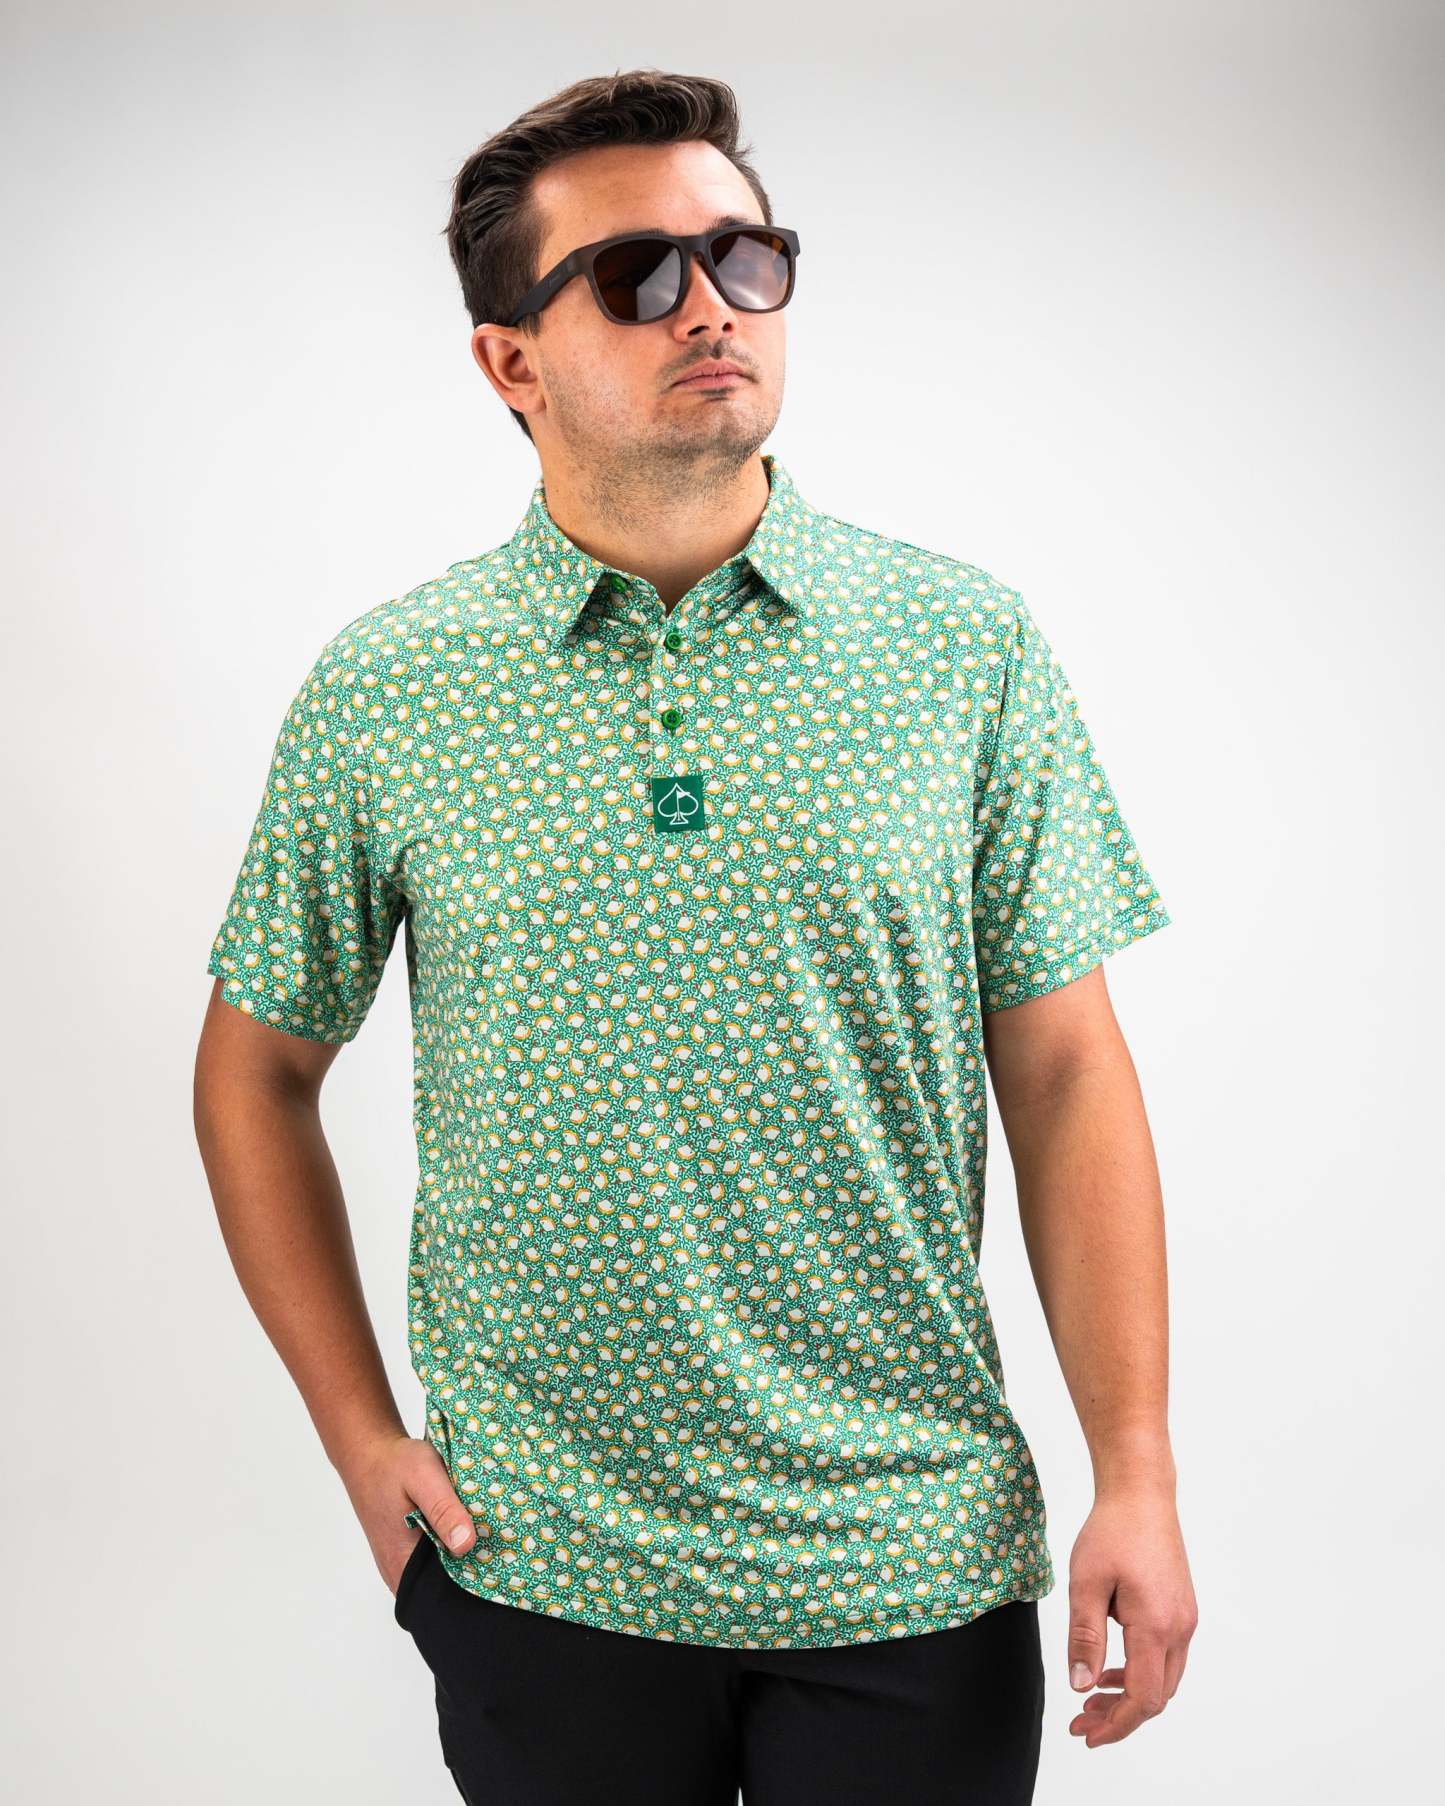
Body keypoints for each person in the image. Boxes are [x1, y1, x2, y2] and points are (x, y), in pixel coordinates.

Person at [194, 66, 1197, 1806]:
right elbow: (251, 1072)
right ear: (511, 361)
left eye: (745, 256)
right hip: (541, 1559)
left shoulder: (958, 647)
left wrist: (1137, 1468)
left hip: (906, 1546)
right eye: (637, 274)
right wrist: (361, 1442)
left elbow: (1063, 1069)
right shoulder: (389, 689)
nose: (712, 305)